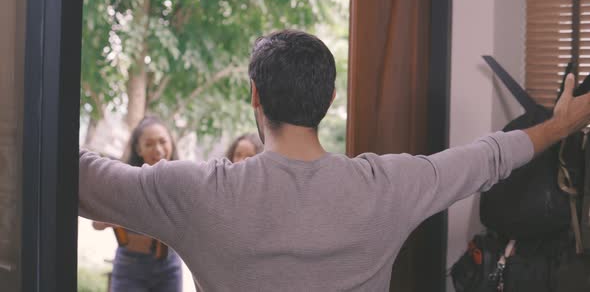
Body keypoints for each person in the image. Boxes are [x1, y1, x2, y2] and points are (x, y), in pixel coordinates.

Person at [79, 30, 590, 291]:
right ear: (327, 101)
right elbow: (485, 159)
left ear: (254, 97)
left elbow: (79, 175)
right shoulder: (386, 186)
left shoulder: (192, 194)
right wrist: (559, 126)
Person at [91, 116, 182, 292]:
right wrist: (113, 218)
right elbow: (96, 223)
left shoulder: (181, 179)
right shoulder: (124, 179)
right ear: (138, 149)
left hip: (169, 264)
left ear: (171, 143)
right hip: (130, 265)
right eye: (149, 144)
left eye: (163, 141)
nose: (158, 149)